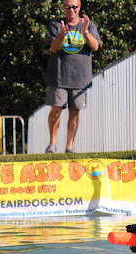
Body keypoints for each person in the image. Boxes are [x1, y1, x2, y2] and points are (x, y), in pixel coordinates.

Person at [44, 0, 100, 154]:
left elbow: (95, 46)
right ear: (63, 7)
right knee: (56, 109)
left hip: (80, 78)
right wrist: (62, 35)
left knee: (74, 112)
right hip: (58, 76)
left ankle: (69, 147)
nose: (71, 10)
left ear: (79, 7)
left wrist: (85, 32)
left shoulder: (89, 25)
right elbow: (54, 48)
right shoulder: (56, 25)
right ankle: (52, 144)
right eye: (67, 7)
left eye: (74, 7)